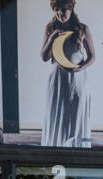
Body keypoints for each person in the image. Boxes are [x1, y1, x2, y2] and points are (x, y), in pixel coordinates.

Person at [39, 0, 95, 148]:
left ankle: (76, 150)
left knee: (76, 115)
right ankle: (56, 149)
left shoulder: (82, 29)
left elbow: (92, 57)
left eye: (64, 9)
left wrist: (80, 68)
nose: (60, 13)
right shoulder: (50, 28)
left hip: (78, 79)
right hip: (58, 79)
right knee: (59, 113)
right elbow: (44, 57)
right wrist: (52, 38)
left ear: (71, 9)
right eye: (56, 9)